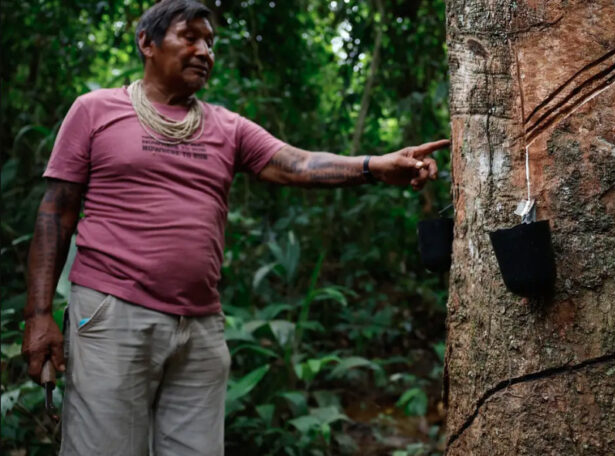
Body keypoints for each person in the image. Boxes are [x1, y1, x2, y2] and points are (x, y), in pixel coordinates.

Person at [20, 1, 449, 454]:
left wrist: (375, 166)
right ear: (146, 42)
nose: (205, 51)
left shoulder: (227, 127)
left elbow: (298, 163)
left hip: (199, 327)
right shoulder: (95, 110)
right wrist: (40, 315)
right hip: (112, 314)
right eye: (190, 37)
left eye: (210, 42)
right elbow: (56, 213)